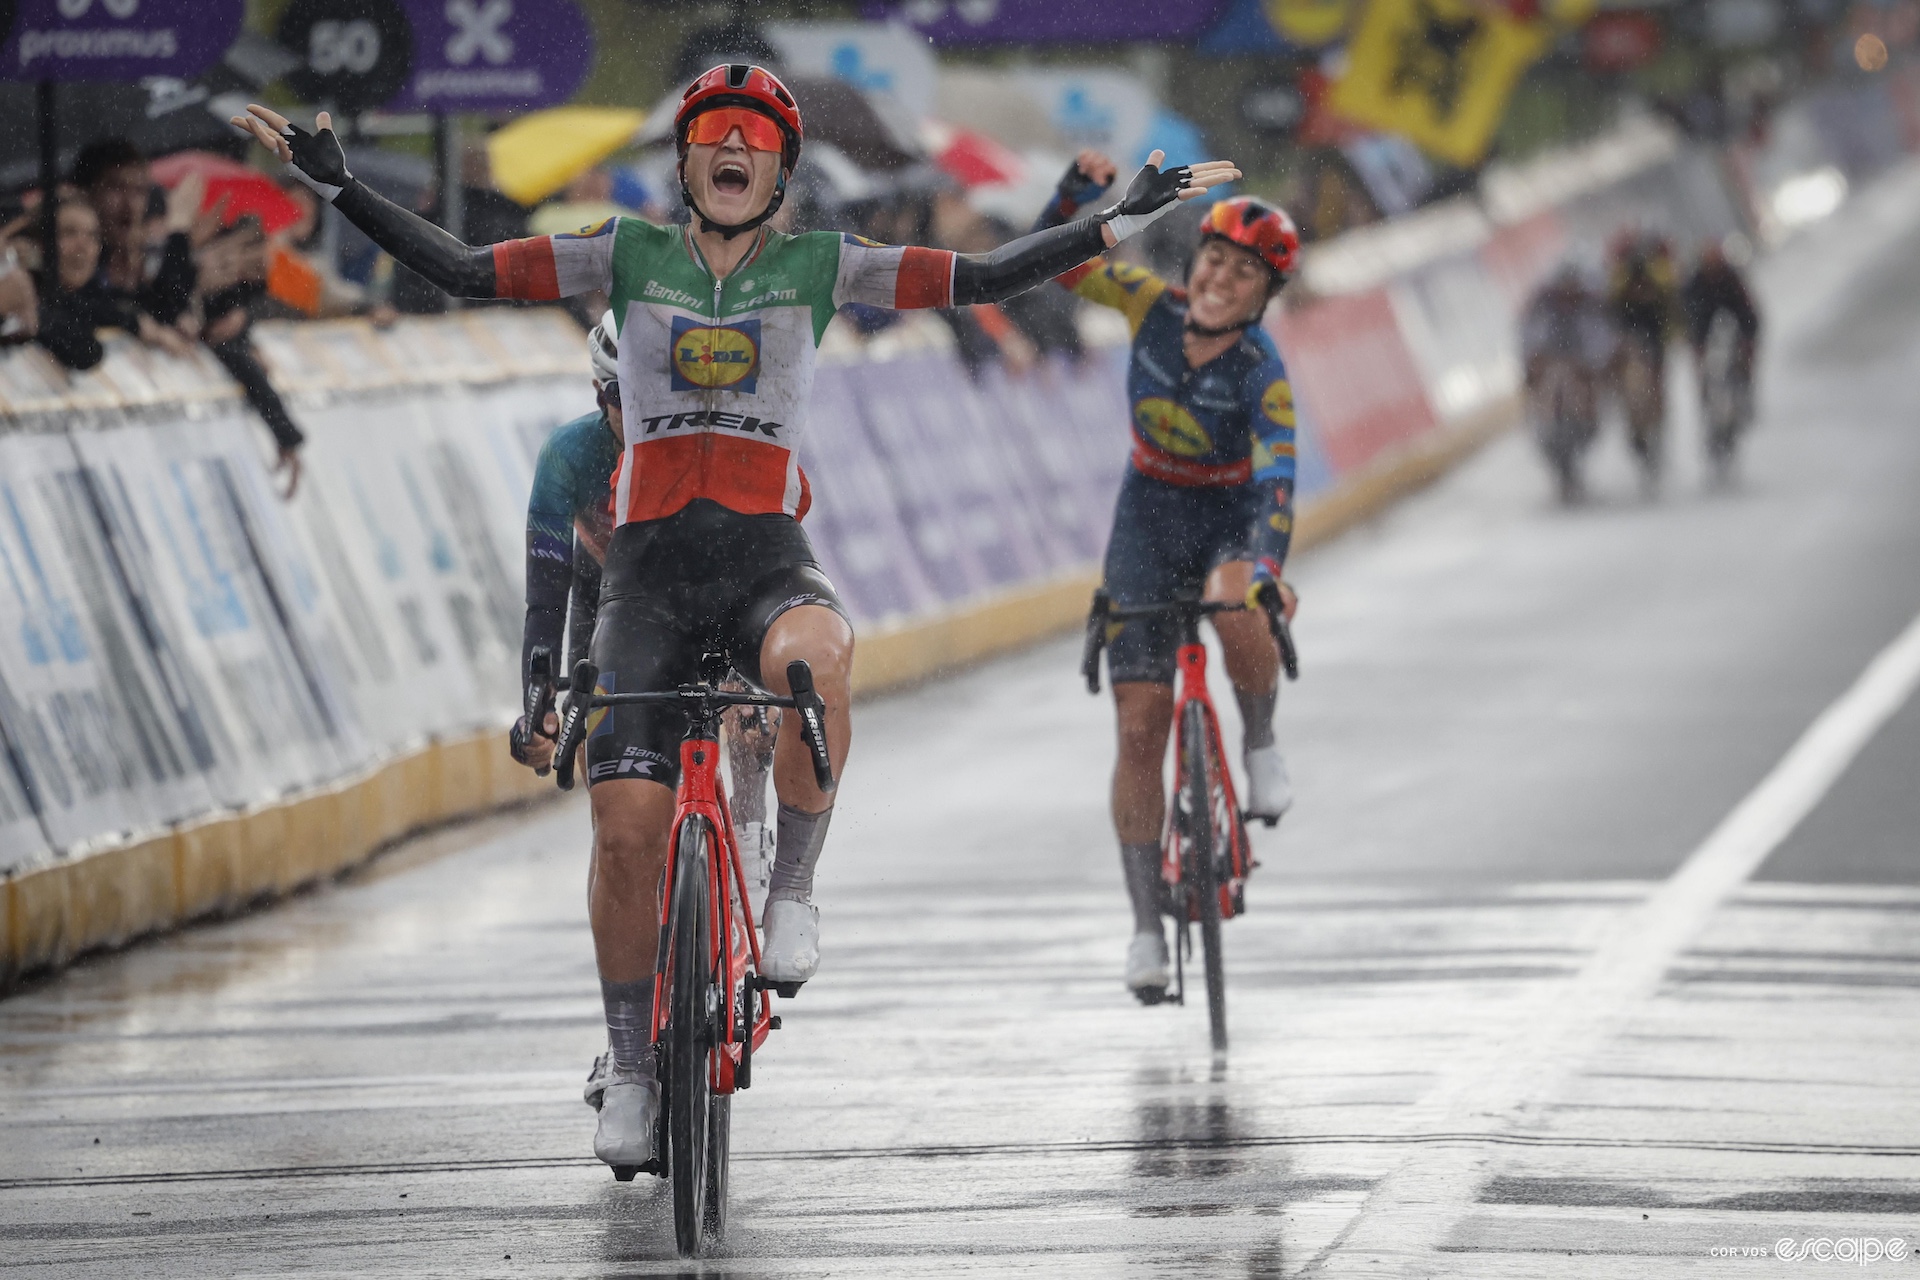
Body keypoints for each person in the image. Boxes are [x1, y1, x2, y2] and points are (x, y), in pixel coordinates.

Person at [232, 63, 1238, 1170]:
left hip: (764, 555)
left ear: (781, 170)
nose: (731, 148)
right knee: (623, 828)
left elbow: (986, 278)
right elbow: (466, 271)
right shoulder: (621, 253)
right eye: (712, 130)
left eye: (755, 138)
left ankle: (794, 887)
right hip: (650, 576)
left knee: (821, 658)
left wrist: (1111, 223)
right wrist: (339, 191)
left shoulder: (825, 263)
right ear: (686, 160)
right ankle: (627, 1063)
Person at [1032, 154, 1300, 1000]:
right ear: (1196, 262)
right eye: (1216, 258)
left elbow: (1278, 486)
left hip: (1227, 518)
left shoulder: (1264, 376)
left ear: (1265, 293)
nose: (1223, 277)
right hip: (1147, 518)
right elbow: (1061, 262)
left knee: (1237, 603)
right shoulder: (1149, 305)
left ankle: (1257, 738)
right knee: (1140, 723)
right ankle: (1146, 927)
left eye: (1245, 271)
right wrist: (1078, 195)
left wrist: (1265, 568)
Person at [1521, 260, 1616, 502]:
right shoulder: (1542, 305)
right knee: (1544, 412)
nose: (1568, 291)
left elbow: (1601, 336)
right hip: (1550, 365)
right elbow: (1528, 336)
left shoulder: (1589, 305)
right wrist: (1535, 361)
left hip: (1581, 367)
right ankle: (1557, 460)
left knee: (1588, 409)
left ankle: (1582, 437)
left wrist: (1593, 362)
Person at [1605, 232, 1679, 481]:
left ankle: (1655, 431)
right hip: (1631, 348)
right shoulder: (1619, 291)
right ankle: (1638, 433)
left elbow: (1668, 315)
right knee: (1629, 395)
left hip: (1652, 345)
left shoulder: (1656, 288)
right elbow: (1611, 319)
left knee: (1656, 390)